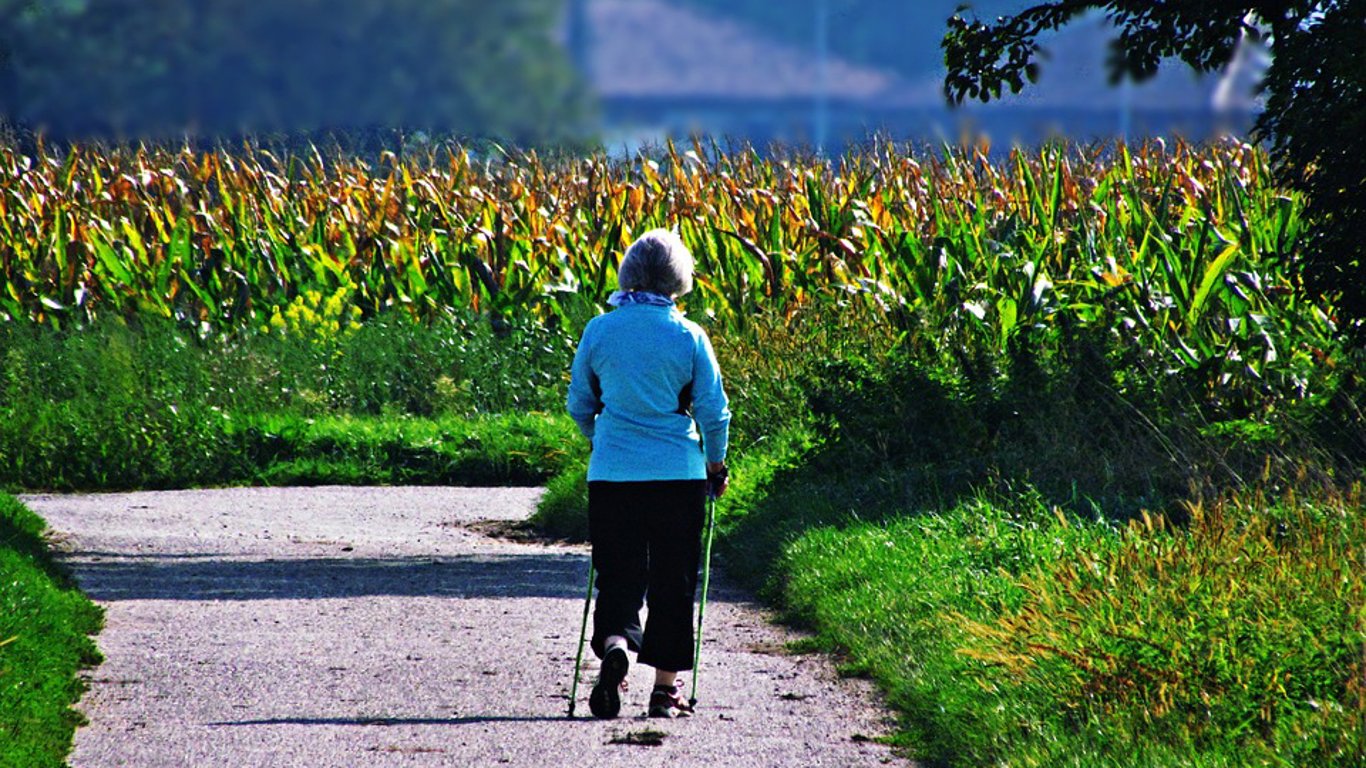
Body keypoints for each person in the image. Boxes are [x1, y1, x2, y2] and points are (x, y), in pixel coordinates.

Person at [566, 228, 731, 719]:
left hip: (613, 475)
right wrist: (715, 466)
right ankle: (664, 690)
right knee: (673, 580)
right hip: (677, 477)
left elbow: (579, 403)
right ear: (678, 279)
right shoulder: (689, 336)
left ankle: (616, 642)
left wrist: (602, 440)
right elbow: (713, 413)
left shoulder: (600, 330)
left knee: (617, 573)